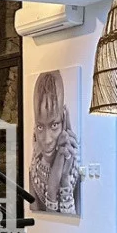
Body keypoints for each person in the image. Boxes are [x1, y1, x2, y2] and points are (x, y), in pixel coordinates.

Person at [30, 71, 79, 214]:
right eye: (40, 127)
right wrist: (52, 188)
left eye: (54, 125)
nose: (47, 139)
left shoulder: (76, 171)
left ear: (64, 120)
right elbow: (43, 223)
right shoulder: (33, 172)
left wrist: (64, 178)